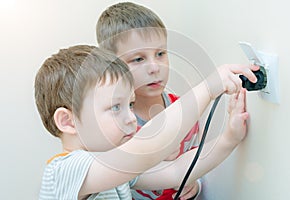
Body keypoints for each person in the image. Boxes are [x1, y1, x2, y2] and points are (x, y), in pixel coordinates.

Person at [36, 44, 258, 200]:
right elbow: (147, 148)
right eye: (115, 107)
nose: (131, 118)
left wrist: (230, 137)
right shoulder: (63, 171)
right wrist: (208, 88)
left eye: (130, 105)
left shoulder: (116, 170)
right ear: (68, 121)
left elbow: (177, 171)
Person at [95, 2, 252, 199]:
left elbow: (193, 162)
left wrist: (196, 184)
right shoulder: (115, 127)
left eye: (160, 54)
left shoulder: (184, 110)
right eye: (138, 59)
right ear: (113, 66)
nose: (154, 67)